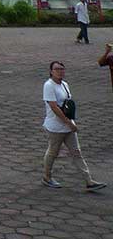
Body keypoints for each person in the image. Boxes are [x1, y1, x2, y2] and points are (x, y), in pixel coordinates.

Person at [42, 61, 106, 191]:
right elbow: (54, 107)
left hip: (69, 126)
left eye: (62, 69)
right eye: (56, 69)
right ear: (51, 71)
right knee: (53, 153)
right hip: (56, 127)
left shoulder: (65, 85)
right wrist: (68, 123)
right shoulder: (49, 85)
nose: (60, 71)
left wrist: (70, 123)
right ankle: (47, 177)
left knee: (77, 153)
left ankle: (89, 181)